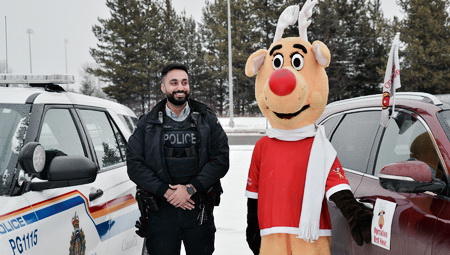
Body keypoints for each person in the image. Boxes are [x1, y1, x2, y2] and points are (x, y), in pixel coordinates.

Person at [127, 63, 229, 255]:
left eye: (184, 82)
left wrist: (190, 189)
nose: (180, 87)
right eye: (174, 83)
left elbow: (221, 159)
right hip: (160, 210)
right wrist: (167, 192)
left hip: (198, 207)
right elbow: (134, 164)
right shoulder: (147, 123)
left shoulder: (207, 119)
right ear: (163, 87)